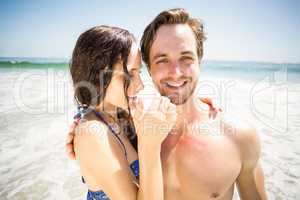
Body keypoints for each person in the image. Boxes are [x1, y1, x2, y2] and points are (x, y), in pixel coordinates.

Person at [68, 8, 267, 200]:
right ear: (149, 67)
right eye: (162, 60)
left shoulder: (240, 137)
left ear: (200, 61)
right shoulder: (134, 127)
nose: (176, 72)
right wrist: (82, 124)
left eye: (186, 58)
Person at [68, 25, 219, 200]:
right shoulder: (92, 134)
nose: (140, 84)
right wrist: (150, 146)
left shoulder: (120, 114)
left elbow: (165, 110)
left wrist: (197, 105)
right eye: (130, 73)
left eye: (138, 72)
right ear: (97, 75)